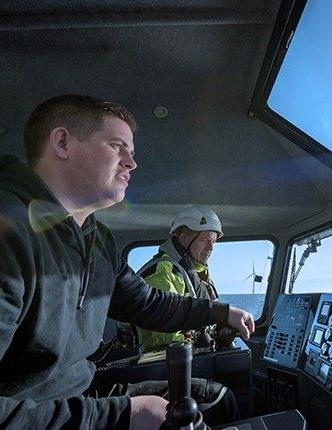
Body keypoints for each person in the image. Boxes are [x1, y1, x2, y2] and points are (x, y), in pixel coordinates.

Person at [0, 94, 255, 429]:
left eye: (131, 153)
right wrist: (121, 416)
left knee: (213, 399)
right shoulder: (9, 228)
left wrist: (220, 312)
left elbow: (146, 303)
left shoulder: (98, 240)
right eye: (117, 146)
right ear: (62, 142)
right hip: (30, 411)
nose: (131, 163)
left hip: (80, 392)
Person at [136, 206, 222, 352]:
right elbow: (166, 340)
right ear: (184, 239)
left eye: (213, 241)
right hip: (163, 365)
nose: (210, 248)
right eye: (205, 239)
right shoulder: (163, 272)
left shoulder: (195, 273)